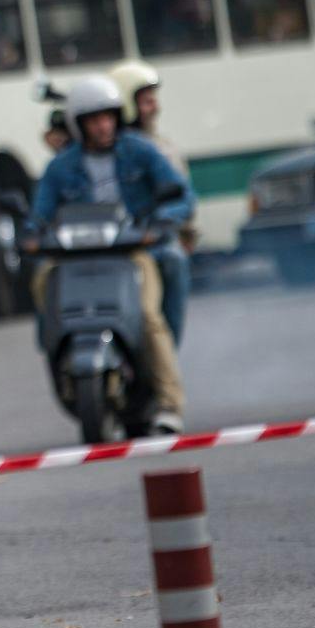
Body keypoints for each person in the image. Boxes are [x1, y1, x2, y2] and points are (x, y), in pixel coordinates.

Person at [29, 76, 193, 434]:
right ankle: (55, 344)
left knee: (148, 317)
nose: (103, 126)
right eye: (93, 119)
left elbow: (181, 196)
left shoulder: (141, 151)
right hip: (74, 258)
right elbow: (39, 214)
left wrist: (159, 223)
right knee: (43, 279)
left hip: (129, 254)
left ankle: (169, 405)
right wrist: (31, 235)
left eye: (108, 117)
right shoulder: (61, 167)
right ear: (78, 124)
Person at [109, 60, 192, 343]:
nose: (154, 107)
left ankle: (167, 347)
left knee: (172, 259)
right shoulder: (88, 152)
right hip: (104, 244)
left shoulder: (156, 149)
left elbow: (183, 197)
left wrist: (167, 223)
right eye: (145, 101)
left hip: (149, 240)